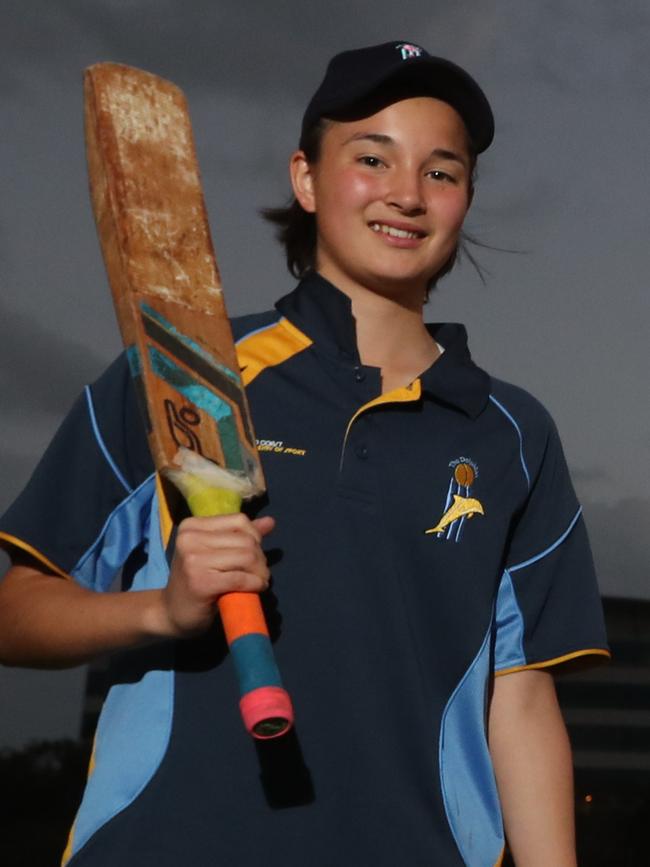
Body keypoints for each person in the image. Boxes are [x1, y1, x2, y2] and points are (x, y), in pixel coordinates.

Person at [0, 41, 609, 867]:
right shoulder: (182, 373)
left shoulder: (510, 431)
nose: (406, 193)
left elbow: (522, 695)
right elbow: (18, 611)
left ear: (465, 199)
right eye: (371, 157)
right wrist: (161, 609)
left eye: (441, 171)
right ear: (307, 179)